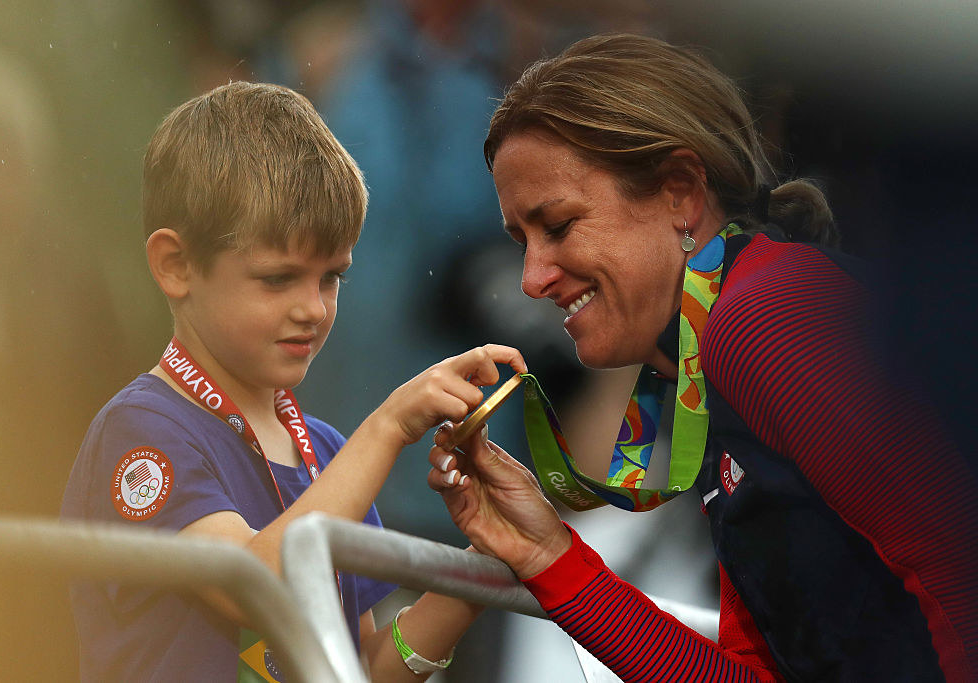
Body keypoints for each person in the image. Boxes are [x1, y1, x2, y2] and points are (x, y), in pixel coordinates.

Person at [428, 34, 978, 683]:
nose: (531, 278)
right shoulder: (717, 356)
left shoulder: (761, 317)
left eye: (559, 226)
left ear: (681, 193)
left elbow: (961, 580)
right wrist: (546, 553)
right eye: (521, 241)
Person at [60, 81, 527, 682]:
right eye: (279, 279)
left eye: (331, 278)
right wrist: (387, 428)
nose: (313, 308)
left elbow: (357, 670)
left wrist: (478, 569)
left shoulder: (329, 453)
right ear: (176, 266)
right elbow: (249, 585)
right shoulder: (145, 428)